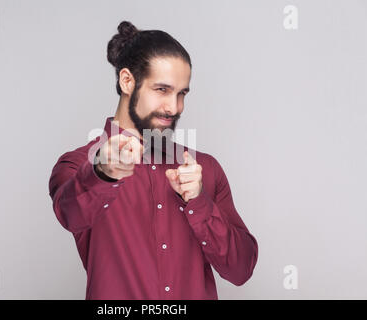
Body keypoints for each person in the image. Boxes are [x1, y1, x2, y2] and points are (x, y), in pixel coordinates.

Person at [48, 21, 258, 300]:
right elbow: (70, 214)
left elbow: (241, 269)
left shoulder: (203, 169)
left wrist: (199, 202)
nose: (174, 107)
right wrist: (102, 175)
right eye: (162, 90)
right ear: (127, 81)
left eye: (181, 93)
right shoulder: (78, 165)